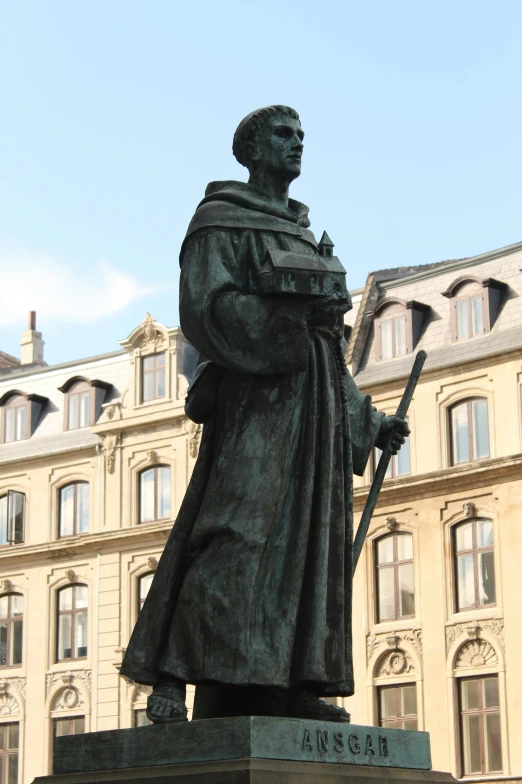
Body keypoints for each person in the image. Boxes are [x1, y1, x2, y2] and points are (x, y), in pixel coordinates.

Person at [120, 105, 409, 723]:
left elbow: (329, 344)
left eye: (303, 134)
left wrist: (366, 419)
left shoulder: (304, 232)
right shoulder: (219, 223)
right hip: (256, 404)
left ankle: (282, 683)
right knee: (234, 536)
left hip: (314, 410)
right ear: (251, 148)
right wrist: (281, 318)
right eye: (283, 134)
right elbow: (206, 307)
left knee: (306, 549)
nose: (298, 143)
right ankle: (176, 673)